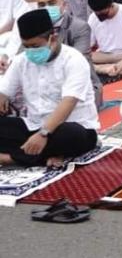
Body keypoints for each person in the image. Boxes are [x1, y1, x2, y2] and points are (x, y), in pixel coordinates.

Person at [0, 9, 99, 168]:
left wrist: (44, 133)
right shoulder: (21, 61)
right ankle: (41, 156)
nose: (30, 51)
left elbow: (68, 102)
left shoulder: (73, 60)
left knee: (72, 135)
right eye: (26, 46)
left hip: (70, 127)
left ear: (52, 39)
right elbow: (3, 92)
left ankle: (10, 158)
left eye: (35, 46)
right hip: (33, 125)